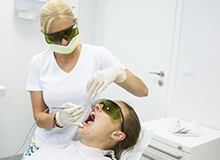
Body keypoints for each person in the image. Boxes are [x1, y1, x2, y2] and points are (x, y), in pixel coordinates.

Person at [24, 0, 148, 158]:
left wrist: (118, 73)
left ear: (76, 22)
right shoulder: (39, 63)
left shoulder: (97, 55)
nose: (64, 42)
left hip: (81, 146)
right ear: (43, 33)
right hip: (45, 145)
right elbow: (39, 117)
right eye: (55, 37)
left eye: (68, 33)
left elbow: (142, 91)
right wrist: (58, 119)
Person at [25, 99, 141, 160]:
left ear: (117, 135)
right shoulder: (57, 143)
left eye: (110, 109)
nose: (98, 106)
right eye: (102, 103)